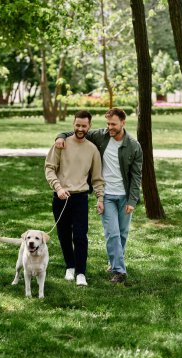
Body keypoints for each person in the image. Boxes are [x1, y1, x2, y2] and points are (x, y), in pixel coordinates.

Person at [55, 108, 143, 283]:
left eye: (113, 124)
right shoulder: (100, 136)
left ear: (123, 123)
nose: (110, 127)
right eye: (108, 123)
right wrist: (60, 136)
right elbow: (77, 131)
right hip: (107, 195)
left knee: (123, 233)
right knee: (113, 233)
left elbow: (136, 176)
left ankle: (114, 263)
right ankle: (119, 271)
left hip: (125, 196)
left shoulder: (133, 146)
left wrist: (132, 200)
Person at [45, 110, 104, 286]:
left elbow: (97, 178)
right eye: (77, 125)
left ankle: (81, 273)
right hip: (61, 196)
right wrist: (58, 187)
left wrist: (100, 198)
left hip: (80, 198)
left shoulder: (92, 149)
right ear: (73, 124)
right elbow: (49, 168)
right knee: (63, 235)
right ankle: (70, 267)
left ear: (89, 126)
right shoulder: (61, 144)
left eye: (84, 126)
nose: (80, 128)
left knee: (80, 236)